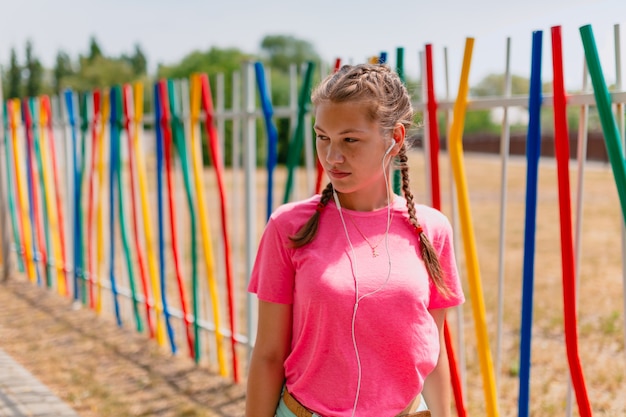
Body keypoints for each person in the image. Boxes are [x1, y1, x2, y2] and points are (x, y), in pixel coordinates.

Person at [246, 63, 465, 417]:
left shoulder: (431, 229)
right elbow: (269, 355)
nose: (332, 157)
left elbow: (432, 353)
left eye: (350, 139)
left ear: (394, 138)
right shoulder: (288, 226)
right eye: (322, 137)